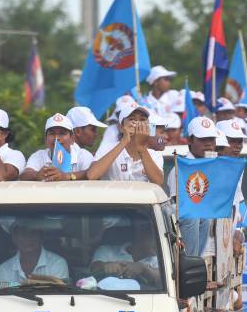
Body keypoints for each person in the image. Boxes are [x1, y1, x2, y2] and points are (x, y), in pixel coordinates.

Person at [167, 116, 218, 257]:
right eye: (203, 139)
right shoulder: (180, 168)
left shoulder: (215, 166)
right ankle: (191, 262)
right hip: (181, 232)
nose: (208, 144)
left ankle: (196, 261)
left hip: (213, 241)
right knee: (194, 216)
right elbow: (178, 208)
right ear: (190, 140)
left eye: (211, 139)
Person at [88, 104, 164, 185]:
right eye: (132, 119)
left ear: (148, 128)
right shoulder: (107, 147)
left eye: (142, 119)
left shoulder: (155, 154)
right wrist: (124, 141)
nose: (138, 123)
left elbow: (159, 183)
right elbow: (91, 175)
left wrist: (141, 148)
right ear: (121, 127)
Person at [20, 113, 93, 181]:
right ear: (45, 139)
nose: (56, 138)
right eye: (52, 133)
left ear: (72, 139)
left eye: (62, 133)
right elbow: (24, 175)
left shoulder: (83, 155)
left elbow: (91, 173)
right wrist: (36, 175)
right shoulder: (38, 156)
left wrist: (67, 176)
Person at [90, 221, 160, 289]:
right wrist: (106, 266)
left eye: (160, 239)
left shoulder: (161, 258)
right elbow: (94, 269)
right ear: (141, 234)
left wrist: (144, 269)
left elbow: (163, 278)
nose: (159, 243)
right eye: (155, 238)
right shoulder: (106, 250)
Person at [0, 220, 69, 285]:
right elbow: (3, 297)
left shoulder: (57, 263)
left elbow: (59, 295)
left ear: (41, 237)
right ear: (14, 238)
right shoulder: (5, 268)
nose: (29, 238)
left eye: (34, 232)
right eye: (23, 233)